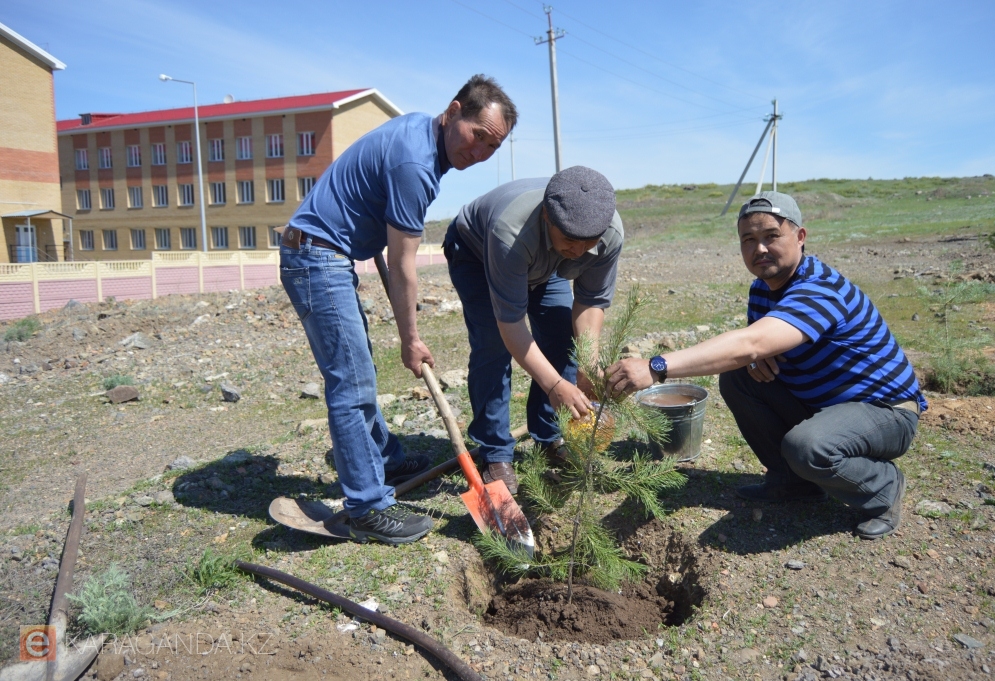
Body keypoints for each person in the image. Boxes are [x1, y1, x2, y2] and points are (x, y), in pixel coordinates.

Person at [606, 191, 926, 540]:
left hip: (885, 412)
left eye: (772, 236)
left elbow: (751, 343)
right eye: (749, 239)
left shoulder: (820, 288)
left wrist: (656, 366)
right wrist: (753, 360)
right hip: (824, 405)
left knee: (808, 446)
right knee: (738, 376)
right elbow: (755, 352)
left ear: (800, 236)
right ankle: (794, 483)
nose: (759, 248)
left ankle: (883, 488)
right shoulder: (762, 289)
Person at [279, 75, 516, 544]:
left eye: (492, 146)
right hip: (317, 256)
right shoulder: (416, 163)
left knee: (358, 369)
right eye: (477, 136)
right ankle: (367, 507)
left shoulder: (420, 135)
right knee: (351, 382)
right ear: (453, 111)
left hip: (325, 252)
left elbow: (379, 219)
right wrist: (411, 340)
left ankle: (383, 460)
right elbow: (405, 262)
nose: (479, 152)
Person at [444, 167, 623, 494]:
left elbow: (589, 302)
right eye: (570, 240)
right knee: (493, 347)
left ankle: (549, 436)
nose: (579, 251)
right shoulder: (510, 232)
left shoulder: (608, 232)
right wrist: (554, 385)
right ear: (546, 217)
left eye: (589, 243)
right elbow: (510, 324)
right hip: (478, 254)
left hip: (544, 261)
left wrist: (587, 365)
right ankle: (496, 453)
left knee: (562, 338)